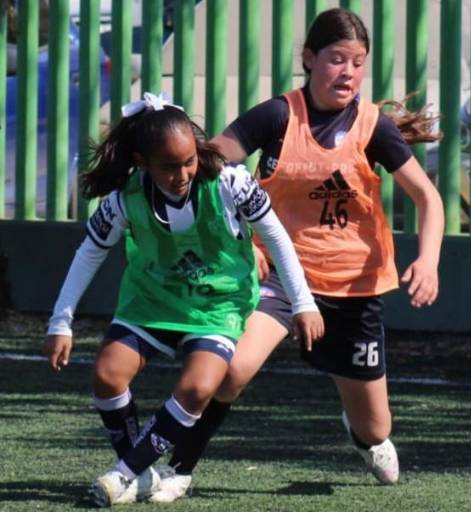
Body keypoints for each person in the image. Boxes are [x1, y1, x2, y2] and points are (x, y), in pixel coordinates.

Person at [154, 7, 444, 501]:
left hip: (355, 287)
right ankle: (178, 468)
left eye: (357, 62)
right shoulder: (276, 116)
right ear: (310, 60)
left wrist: (429, 260)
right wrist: (238, 242)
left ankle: (361, 433)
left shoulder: (373, 127)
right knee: (232, 371)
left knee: (376, 428)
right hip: (282, 278)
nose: (348, 72)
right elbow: (207, 168)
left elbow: (428, 198)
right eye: (336, 59)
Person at [42, 92, 324, 507]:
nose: (183, 173)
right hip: (152, 301)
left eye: (189, 161)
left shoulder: (232, 182)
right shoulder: (124, 198)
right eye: (169, 167)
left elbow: (278, 238)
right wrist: (59, 322)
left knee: (199, 387)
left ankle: (123, 474)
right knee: (106, 375)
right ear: (142, 162)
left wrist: (303, 302)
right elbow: (89, 251)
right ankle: (138, 475)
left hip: (218, 305)